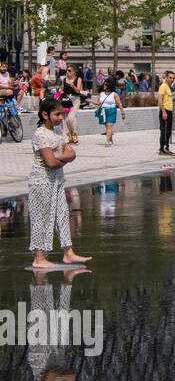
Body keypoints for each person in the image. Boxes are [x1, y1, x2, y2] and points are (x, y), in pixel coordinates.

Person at [28, 98, 91, 269]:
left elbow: (71, 154)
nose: (60, 118)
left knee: (63, 215)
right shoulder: (40, 134)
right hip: (41, 181)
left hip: (56, 180)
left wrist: (58, 157)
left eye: (62, 114)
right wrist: (61, 159)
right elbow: (50, 163)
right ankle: (39, 257)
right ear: (44, 115)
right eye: (57, 114)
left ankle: (68, 253)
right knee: (40, 217)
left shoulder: (58, 130)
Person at [56, 65, 83, 145]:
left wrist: (72, 85)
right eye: (67, 70)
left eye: (69, 70)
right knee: (65, 118)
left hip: (75, 99)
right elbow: (61, 90)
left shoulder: (78, 79)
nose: (67, 72)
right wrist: (61, 93)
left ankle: (74, 133)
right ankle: (68, 135)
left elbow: (78, 91)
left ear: (74, 72)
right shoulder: (64, 80)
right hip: (66, 100)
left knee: (71, 118)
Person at [96, 77, 124, 146]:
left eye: (105, 85)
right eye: (104, 84)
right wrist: (90, 101)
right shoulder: (101, 93)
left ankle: (107, 142)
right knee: (107, 126)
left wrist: (122, 113)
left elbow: (119, 103)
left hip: (112, 110)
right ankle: (111, 140)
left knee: (109, 125)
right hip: (103, 111)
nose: (104, 86)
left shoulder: (114, 94)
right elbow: (98, 103)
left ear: (109, 86)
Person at [157, 70, 175, 156]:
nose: (172, 79)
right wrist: (163, 111)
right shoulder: (163, 86)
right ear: (166, 77)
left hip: (169, 110)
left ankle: (166, 148)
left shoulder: (168, 87)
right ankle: (162, 149)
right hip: (164, 111)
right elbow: (160, 99)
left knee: (168, 131)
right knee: (164, 131)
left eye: (173, 78)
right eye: (170, 78)